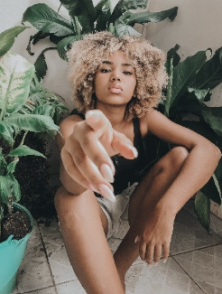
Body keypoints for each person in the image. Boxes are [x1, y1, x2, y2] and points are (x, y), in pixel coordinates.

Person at [55, 31, 221, 294]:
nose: (116, 76)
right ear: (89, 78)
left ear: (140, 83)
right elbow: (72, 185)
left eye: (128, 72)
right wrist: (76, 157)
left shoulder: (144, 119)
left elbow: (210, 151)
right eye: (105, 69)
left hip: (135, 202)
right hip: (95, 209)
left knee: (180, 156)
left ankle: (117, 270)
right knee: (68, 198)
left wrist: (165, 211)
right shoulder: (74, 125)